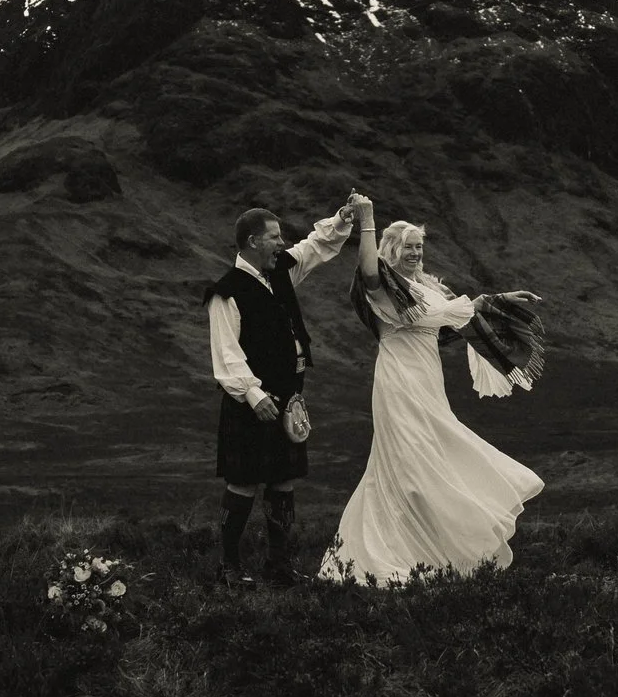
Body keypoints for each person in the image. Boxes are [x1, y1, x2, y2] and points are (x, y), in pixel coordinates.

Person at [319, 202, 545, 586]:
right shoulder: (385, 286)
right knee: (408, 462)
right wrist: (368, 221)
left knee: (433, 454)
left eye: (419, 246)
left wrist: (503, 298)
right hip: (398, 381)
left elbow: (462, 313)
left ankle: (434, 551)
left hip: (428, 380)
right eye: (407, 246)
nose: (414, 252)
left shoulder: (429, 288)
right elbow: (369, 271)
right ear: (392, 249)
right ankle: (388, 554)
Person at [204, 195, 361, 586]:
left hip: (289, 400)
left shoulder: (280, 272)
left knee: (283, 479)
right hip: (251, 402)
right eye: (274, 237)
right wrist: (253, 395)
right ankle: (229, 567)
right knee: (243, 480)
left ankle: (279, 567)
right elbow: (226, 353)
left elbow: (313, 248)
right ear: (253, 241)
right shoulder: (227, 291)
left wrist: (342, 219)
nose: (281, 243)